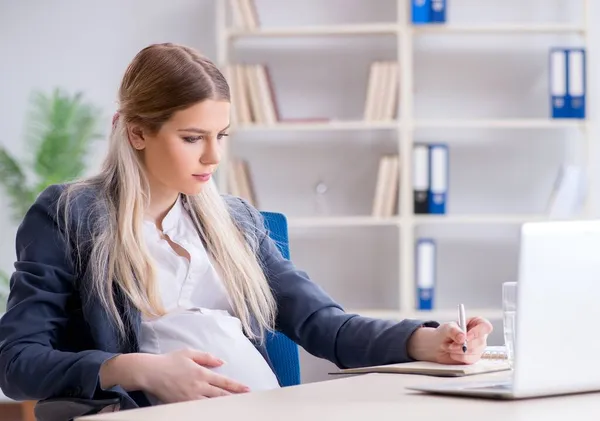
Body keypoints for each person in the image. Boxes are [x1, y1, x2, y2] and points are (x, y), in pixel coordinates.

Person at [0, 43, 492, 411]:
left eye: (221, 136)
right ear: (137, 132)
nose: (214, 157)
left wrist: (427, 341)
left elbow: (324, 325)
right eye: (193, 137)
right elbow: (17, 363)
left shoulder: (234, 220)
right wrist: (134, 370)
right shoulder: (70, 216)